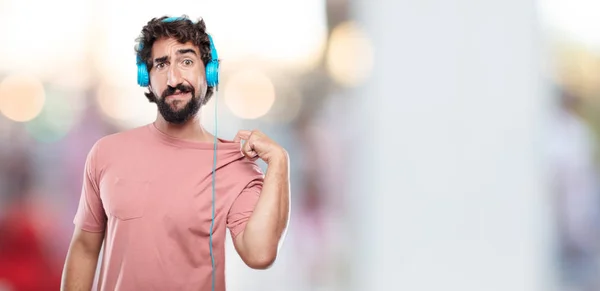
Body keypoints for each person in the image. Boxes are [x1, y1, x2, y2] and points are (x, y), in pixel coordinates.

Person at [61, 15, 291, 291]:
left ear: (209, 72)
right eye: (161, 64)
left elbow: (260, 254)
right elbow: (85, 248)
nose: (173, 78)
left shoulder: (233, 165)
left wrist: (279, 163)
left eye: (186, 61)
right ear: (145, 77)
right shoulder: (106, 153)